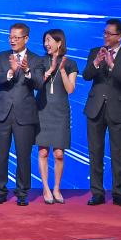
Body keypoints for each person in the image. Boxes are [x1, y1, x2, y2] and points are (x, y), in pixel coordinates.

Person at [82, 18, 121, 208]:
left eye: (109, 33)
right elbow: (86, 75)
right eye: (104, 32)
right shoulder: (95, 52)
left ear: (120, 36)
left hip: (119, 109)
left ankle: (119, 194)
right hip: (95, 108)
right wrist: (97, 62)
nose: (105, 36)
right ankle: (97, 193)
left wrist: (113, 65)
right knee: (95, 152)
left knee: (118, 153)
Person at [0, 23, 44, 206]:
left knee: (23, 155)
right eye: (10, 37)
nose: (12, 40)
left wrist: (27, 71)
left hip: (24, 113)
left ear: (26, 38)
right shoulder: (2, 56)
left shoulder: (36, 59)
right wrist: (11, 72)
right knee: (0, 155)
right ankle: (0, 191)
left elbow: (39, 84)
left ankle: (22, 193)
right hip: (2, 112)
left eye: (16, 37)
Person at [35, 29, 77, 205]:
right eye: (45, 40)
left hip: (60, 112)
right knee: (43, 151)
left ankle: (57, 188)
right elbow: (37, 85)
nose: (46, 44)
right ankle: (46, 188)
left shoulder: (70, 63)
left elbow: (70, 89)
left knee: (59, 154)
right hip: (42, 110)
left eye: (49, 40)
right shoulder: (40, 61)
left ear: (59, 42)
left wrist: (61, 70)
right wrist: (50, 69)